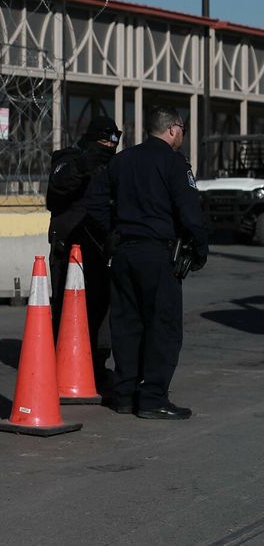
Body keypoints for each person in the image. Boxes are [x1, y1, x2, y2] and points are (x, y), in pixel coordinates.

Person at [86, 106, 208, 420]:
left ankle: (125, 395)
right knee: (163, 327)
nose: (182, 134)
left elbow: (95, 200)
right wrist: (200, 249)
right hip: (159, 255)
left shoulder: (121, 160)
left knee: (127, 325)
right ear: (172, 129)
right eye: (181, 128)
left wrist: (111, 234)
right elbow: (190, 210)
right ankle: (153, 398)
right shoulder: (175, 163)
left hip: (124, 253)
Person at [46, 115, 121, 386]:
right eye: (102, 142)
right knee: (66, 307)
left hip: (100, 246)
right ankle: (62, 361)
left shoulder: (112, 165)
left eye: (112, 144)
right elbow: (59, 182)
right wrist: (82, 165)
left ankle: (96, 364)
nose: (107, 148)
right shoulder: (69, 158)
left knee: (100, 308)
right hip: (69, 247)